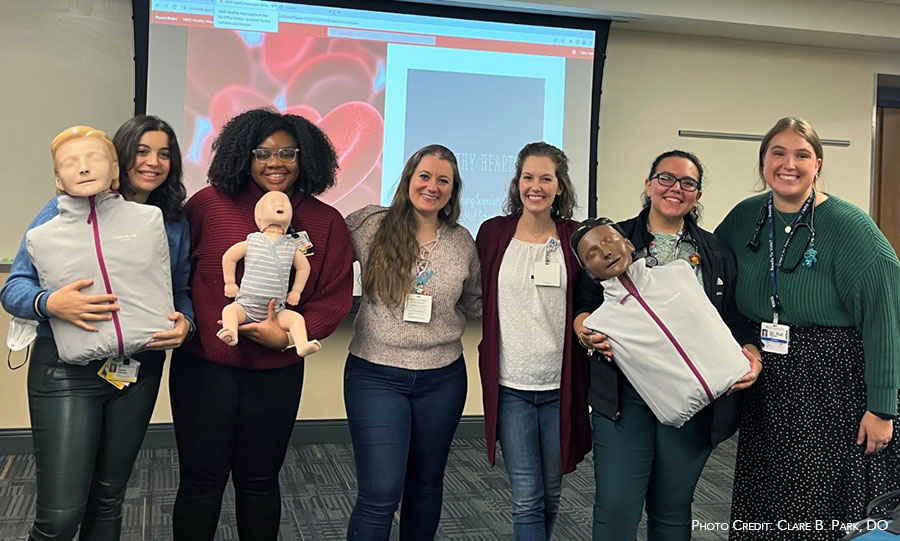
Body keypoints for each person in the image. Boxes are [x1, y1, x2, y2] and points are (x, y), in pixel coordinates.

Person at [0, 116, 194, 540]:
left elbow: (179, 289)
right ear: (119, 159)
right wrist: (51, 303)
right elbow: (14, 288)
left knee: (109, 499)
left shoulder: (170, 221)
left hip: (137, 370)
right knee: (62, 514)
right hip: (67, 374)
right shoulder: (63, 208)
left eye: (164, 154)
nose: (153, 162)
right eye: (142, 151)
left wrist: (187, 324)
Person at [170, 108, 353, 539]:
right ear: (243, 156)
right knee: (201, 483)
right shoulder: (208, 205)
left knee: (259, 484)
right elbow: (175, 272)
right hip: (205, 368)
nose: (276, 162)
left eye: (288, 152)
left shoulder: (325, 222)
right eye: (263, 152)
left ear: (305, 158)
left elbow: (334, 296)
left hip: (277, 374)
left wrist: (287, 337)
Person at [715, 117, 900, 540]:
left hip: (835, 384)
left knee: (824, 501)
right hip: (769, 379)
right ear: (763, 162)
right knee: (767, 493)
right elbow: (713, 278)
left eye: (801, 154)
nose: (788, 164)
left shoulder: (851, 228)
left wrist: (882, 409)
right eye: (777, 153)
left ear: (818, 163)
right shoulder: (745, 218)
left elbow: (885, 323)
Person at [573, 150, 760, 540]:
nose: (675, 188)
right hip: (624, 397)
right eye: (665, 178)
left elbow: (734, 317)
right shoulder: (609, 239)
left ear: (697, 193)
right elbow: (583, 307)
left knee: (672, 508)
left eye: (687, 182)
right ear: (648, 184)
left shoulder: (717, 251)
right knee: (617, 506)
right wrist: (583, 329)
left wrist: (751, 353)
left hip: (693, 395)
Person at [344, 144, 482, 540]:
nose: (432, 186)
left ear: (453, 191)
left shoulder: (461, 242)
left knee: (425, 485)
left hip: (443, 379)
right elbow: (318, 242)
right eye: (425, 176)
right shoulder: (369, 224)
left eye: (444, 180)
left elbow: (476, 303)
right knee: (381, 493)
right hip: (375, 375)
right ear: (408, 179)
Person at [475, 142, 591, 540]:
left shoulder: (576, 238)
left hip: (561, 387)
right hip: (511, 387)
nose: (535, 186)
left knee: (553, 492)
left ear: (560, 187)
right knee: (526, 495)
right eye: (528, 177)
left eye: (546, 178)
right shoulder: (493, 233)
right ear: (517, 182)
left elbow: (594, 299)